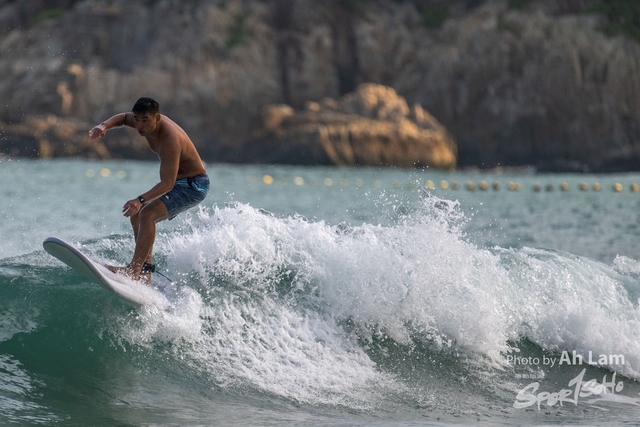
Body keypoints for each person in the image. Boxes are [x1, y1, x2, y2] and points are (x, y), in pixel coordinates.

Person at [89, 97, 209, 284]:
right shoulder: (140, 122)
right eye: (137, 119)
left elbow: (167, 184)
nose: (139, 126)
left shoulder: (170, 140)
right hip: (181, 182)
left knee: (146, 214)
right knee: (137, 215)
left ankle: (133, 270)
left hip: (194, 185)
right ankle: (145, 273)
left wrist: (139, 200)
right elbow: (122, 118)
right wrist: (103, 126)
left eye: (145, 120)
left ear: (157, 118)